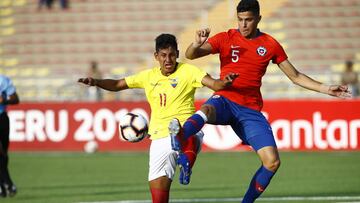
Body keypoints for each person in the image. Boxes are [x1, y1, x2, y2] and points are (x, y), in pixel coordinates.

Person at [168, 0, 352, 202]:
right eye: (240, 20)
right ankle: (180, 137)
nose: (243, 24)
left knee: (272, 162)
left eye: (248, 20)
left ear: (258, 19)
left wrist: (326, 89)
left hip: (250, 111)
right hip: (226, 99)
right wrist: (197, 43)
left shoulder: (270, 44)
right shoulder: (226, 37)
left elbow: (295, 76)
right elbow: (190, 55)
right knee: (207, 108)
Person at [78, 34, 238, 203]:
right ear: (156, 56)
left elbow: (214, 84)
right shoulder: (148, 76)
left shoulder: (189, 71)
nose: (168, 60)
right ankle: (186, 159)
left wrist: (224, 82)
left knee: (186, 133)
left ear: (177, 53)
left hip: (187, 126)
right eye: (163, 55)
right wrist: (95, 81)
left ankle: (186, 158)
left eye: (171, 55)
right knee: (158, 197)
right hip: (159, 137)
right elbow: (118, 84)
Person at [0, 74, 19, 198]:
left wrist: (4, 101)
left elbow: (15, 99)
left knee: (4, 155)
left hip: (2, 119)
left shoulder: (3, 80)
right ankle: (8, 183)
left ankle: (3, 184)